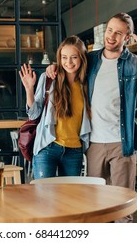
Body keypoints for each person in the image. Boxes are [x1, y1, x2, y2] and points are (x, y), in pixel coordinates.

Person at [46, 13, 137, 222]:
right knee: (97, 205)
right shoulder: (91, 59)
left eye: (119, 33)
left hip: (122, 144)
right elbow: (69, 66)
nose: (112, 36)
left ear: (127, 38)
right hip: (93, 143)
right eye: (110, 30)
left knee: (122, 207)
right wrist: (54, 67)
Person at [19, 35, 91, 179]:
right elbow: (34, 114)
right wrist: (29, 90)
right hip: (48, 147)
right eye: (64, 57)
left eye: (73, 57)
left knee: (70, 199)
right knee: (44, 197)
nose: (68, 62)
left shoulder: (87, 83)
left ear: (82, 58)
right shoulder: (49, 78)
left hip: (74, 150)